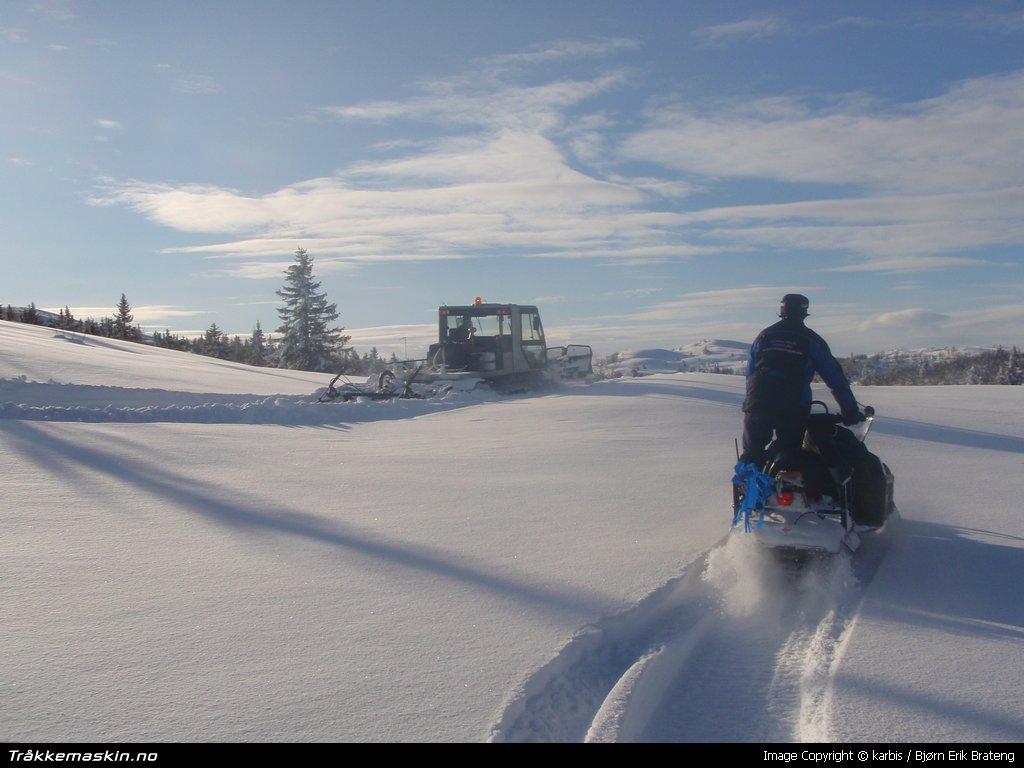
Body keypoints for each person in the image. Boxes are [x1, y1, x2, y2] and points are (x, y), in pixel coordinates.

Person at [739, 293, 862, 471]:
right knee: (787, 458)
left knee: (751, 456)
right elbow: (835, 378)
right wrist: (849, 409)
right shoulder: (812, 340)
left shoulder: (764, 336)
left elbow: (751, 373)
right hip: (793, 404)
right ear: (804, 312)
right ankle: (781, 490)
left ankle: (748, 493)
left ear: (782, 311)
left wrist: (751, 400)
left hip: (757, 401)